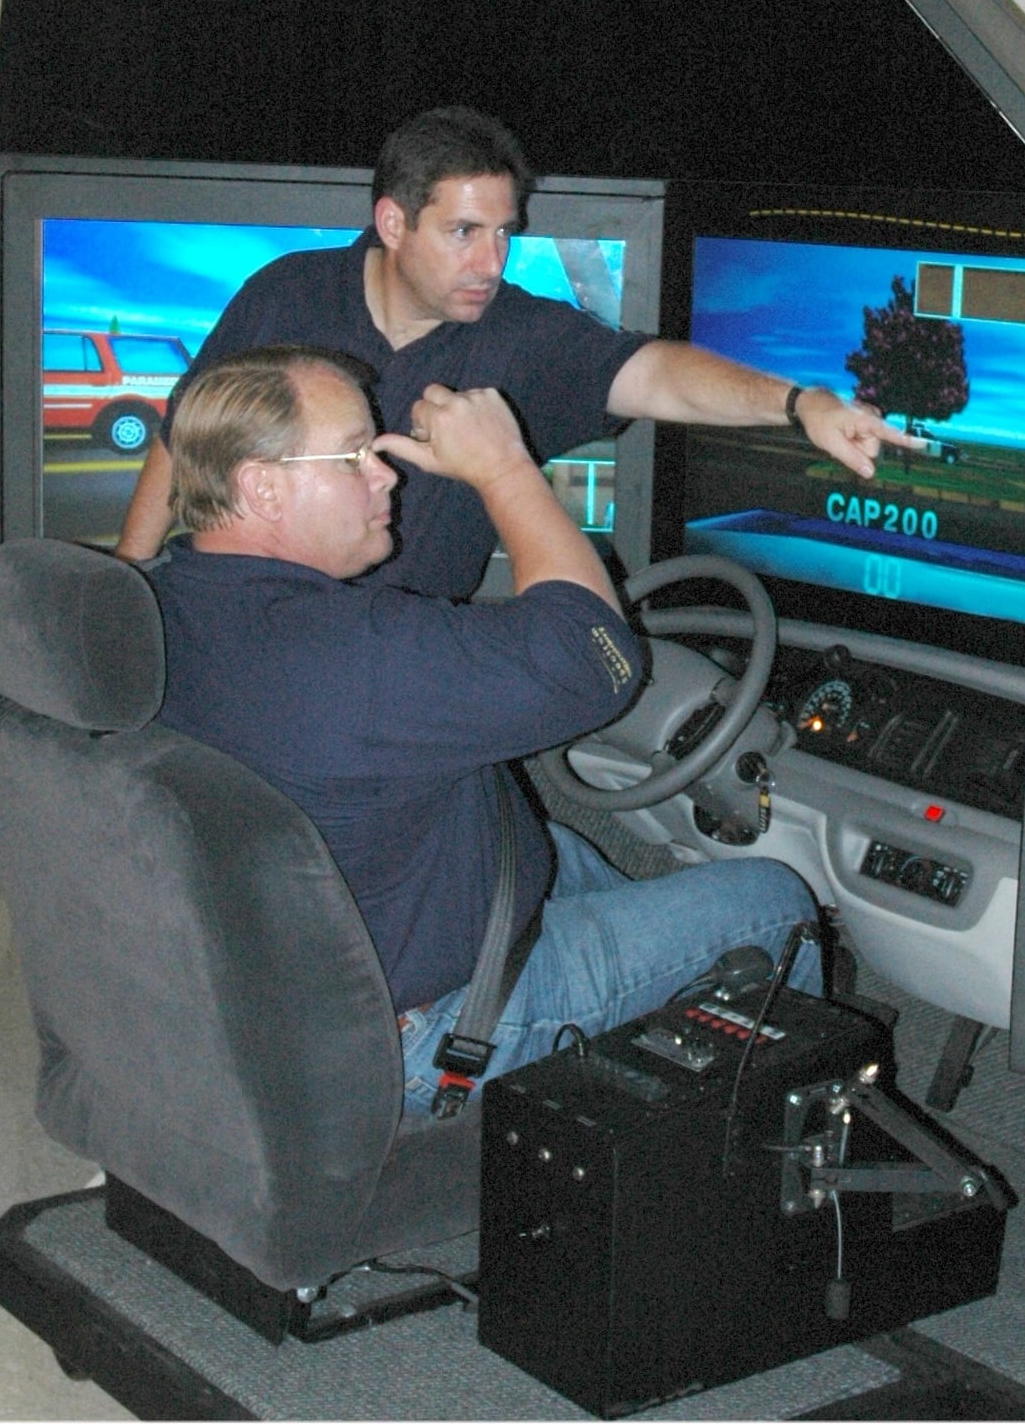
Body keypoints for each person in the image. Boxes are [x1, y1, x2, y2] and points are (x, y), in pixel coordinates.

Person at [146, 344, 820, 1113]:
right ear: (261, 487)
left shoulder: (162, 603)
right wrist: (504, 469)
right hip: (420, 1037)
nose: (386, 474)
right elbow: (598, 658)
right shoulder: (362, 654)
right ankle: (759, 1170)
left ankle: (655, 1019)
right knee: (773, 903)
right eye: (355, 456)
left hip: (278, 984)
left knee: (558, 849)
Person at [116, 105, 921, 599]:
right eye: (464, 232)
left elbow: (659, 375)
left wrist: (798, 403)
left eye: (505, 234)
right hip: (257, 630)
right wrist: (126, 580)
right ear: (394, 224)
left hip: (411, 650)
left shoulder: (523, 335)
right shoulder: (284, 294)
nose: (491, 262)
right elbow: (179, 436)